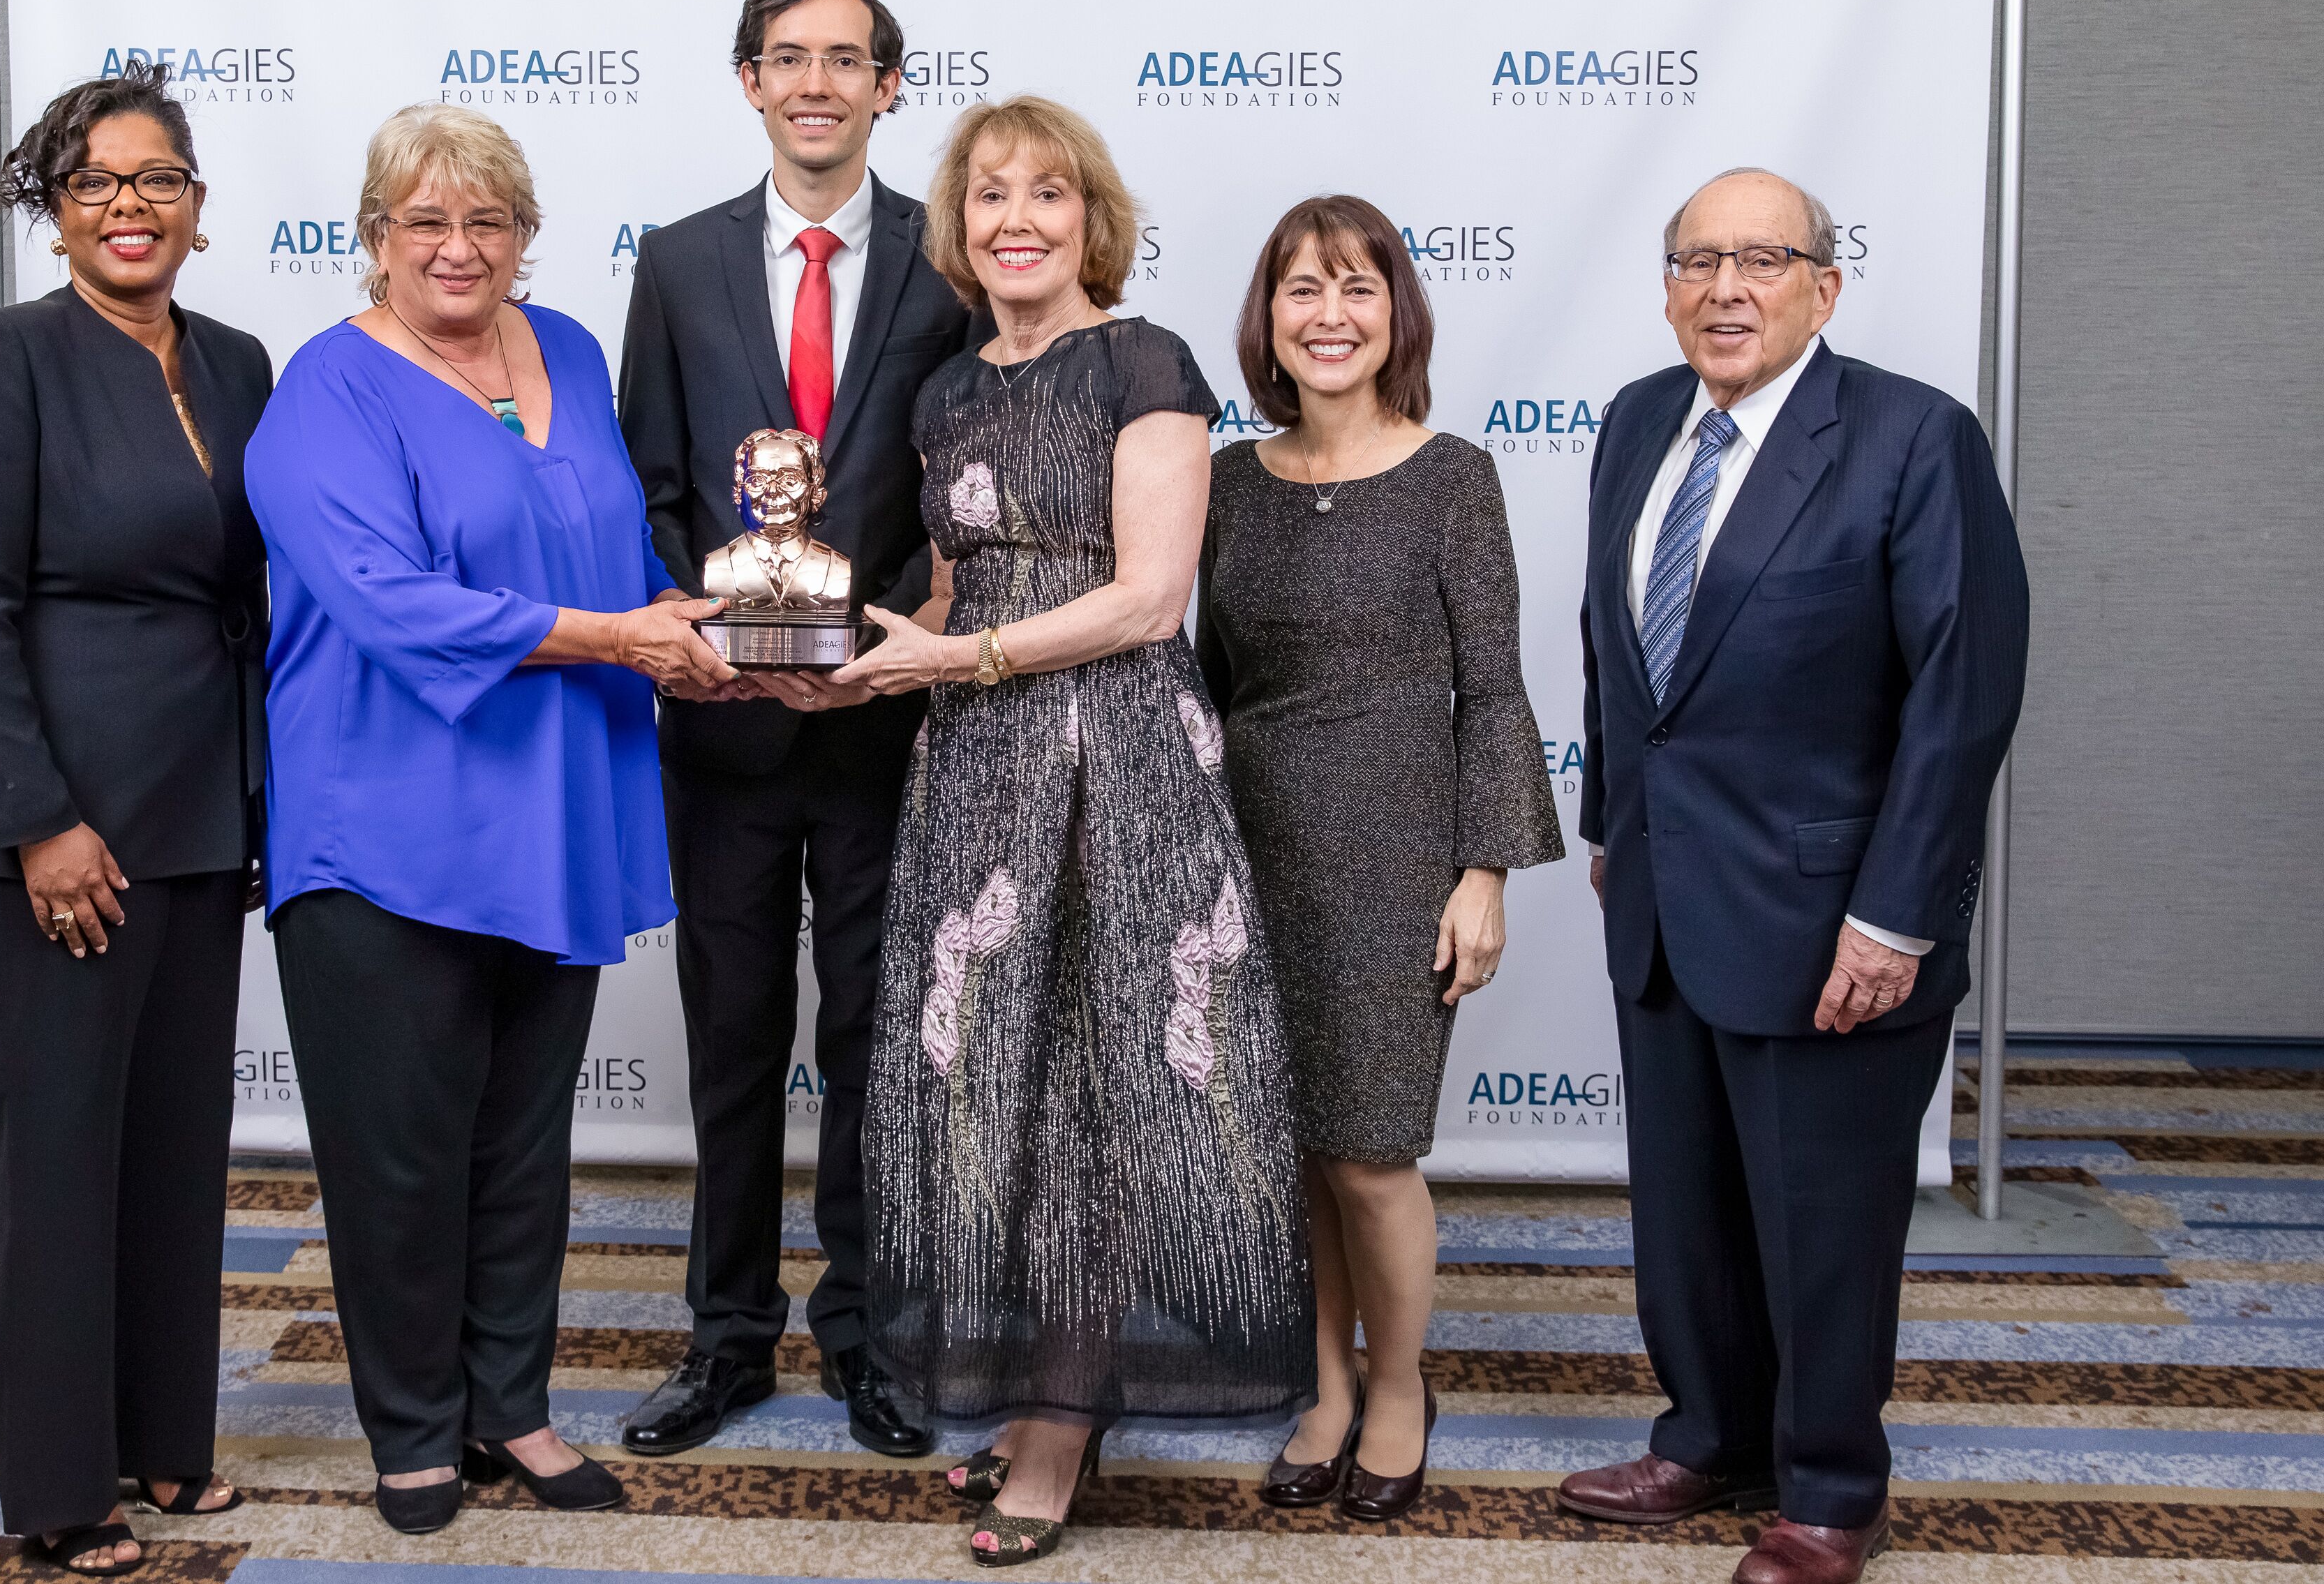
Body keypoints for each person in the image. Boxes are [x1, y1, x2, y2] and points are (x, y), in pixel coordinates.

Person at [833, 96, 1313, 1567]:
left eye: (1045, 192)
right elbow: (947, 590)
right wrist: (830, 648)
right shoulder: (946, 386)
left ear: (1089, 213)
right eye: (988, 195)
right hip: (974, 768)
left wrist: (951, 661)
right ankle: (1043, 1376)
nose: (1015, 218)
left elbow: (1147, 597)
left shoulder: (1142, 360)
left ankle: (1059, 1418)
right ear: (957, 223)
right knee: (999, 1084)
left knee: (1103, 1085)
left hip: (1115, 758)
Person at [244, 105, 737, 1534]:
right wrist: (619, 637)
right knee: (396, 1153)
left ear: (524, 237)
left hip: (556, 814)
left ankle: (506, 1404)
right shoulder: (323, 391)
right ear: (374, 237)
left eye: (488, 222)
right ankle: (410, 1425)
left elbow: (617, 546)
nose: (457, 248)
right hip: (384, 829)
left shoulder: (569, 350)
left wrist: (699, 622)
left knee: (521, 1145)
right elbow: (391, 601)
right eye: (424, 222)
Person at [1562, 169, 2027, 1584]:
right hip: (1659, 890)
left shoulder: (1908, 440)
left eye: (1759, 259)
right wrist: (1604, 824)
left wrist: (1892, 914)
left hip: (1834, 915)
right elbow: (1617, 653)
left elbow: (1960, 698)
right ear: (1662, 286)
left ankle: (1830, 1485)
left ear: (1823, 285)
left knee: (1818, 1221)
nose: (1722, 288)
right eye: (1693, 260)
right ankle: (1709, 1433)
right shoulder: (1639, 418)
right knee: (1686, 1204)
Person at [615, 0, 972, 1460]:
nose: (815, 81)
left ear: (889, 85)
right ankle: (724, 1336)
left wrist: (912, 631)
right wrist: (689, 640)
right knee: (733, 1041)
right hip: (721, 730)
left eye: (846, 58)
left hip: (887, 723)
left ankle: (871, 1335)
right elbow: (648, 485)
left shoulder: (952, 261)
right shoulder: (680, 262)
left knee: (883, 1042)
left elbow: (967, 485)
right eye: (787, 56)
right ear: (748, 81)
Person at [0, 62, 265, 1576]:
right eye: (96, 185)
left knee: (176, 1149)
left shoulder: (244, 362)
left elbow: (263, 596)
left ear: (197, 207)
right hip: (57, 832)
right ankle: (61, 1482)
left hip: (199, 815)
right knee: (57, 1157)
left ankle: (166, 1443)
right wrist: (36, 820)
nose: (131, 207)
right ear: (53, 217)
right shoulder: (3, 358)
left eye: (157, 181)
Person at [1196, 195, 1565, 1521]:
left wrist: (1485, 871)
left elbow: (1498, 690)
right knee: (1294, 1148)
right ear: (1270, 320)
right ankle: (1323, 1387)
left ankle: (1399, 1385)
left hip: (1399, 853)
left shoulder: (1454, 475)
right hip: (1250, 849)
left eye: (1357, 287)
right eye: (1303, 289)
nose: (1330, 314)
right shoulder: (1230, 481)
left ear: (1396, 312)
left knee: (1371, 1151)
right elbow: (1216, 680)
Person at [703, 427, 854, 607]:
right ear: (738, 494)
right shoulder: (717, 566)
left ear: (816, 494)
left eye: (790, 480)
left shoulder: (837, 568)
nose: (773, 491)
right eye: (757, 480)